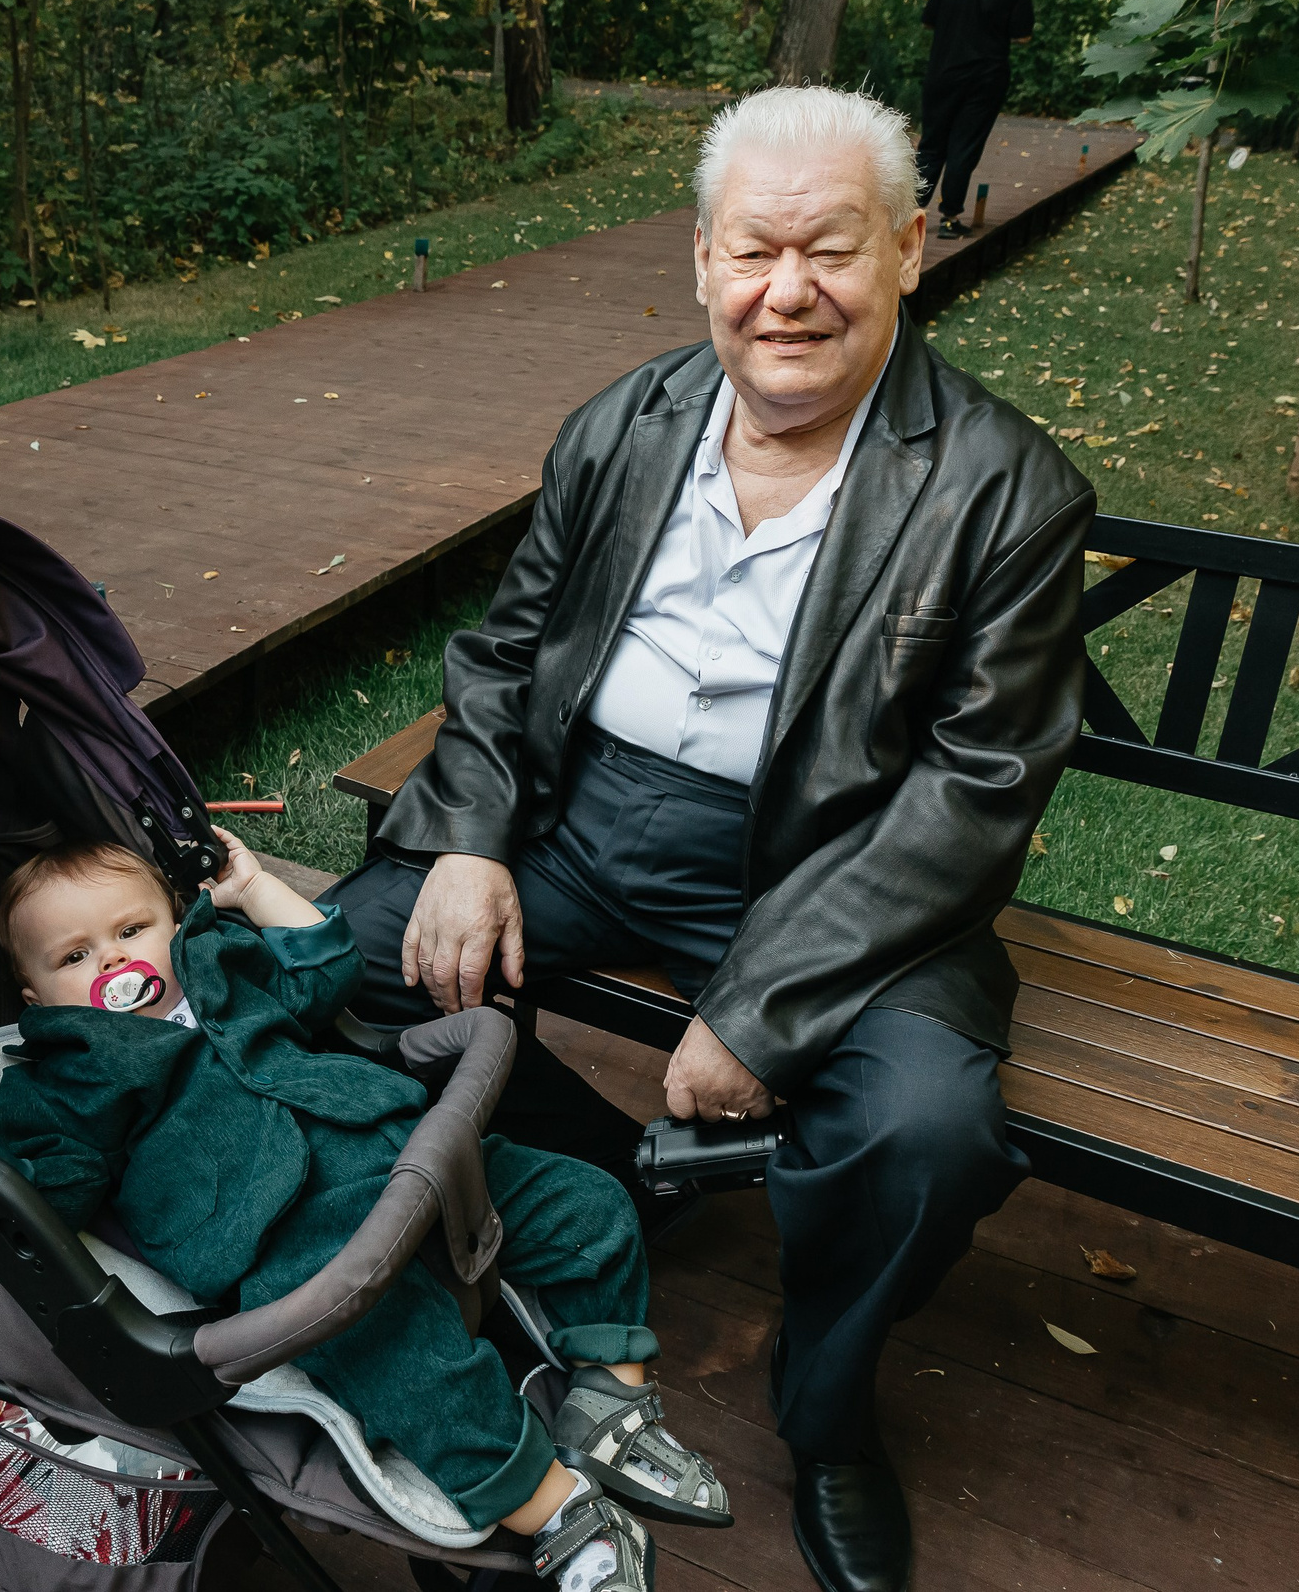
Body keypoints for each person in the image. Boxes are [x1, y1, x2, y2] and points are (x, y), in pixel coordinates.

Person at [321, 85, 1093, 1592]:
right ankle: (613, 1179)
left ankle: (830, 1406)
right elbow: (503, 655)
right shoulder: (630, 422)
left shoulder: (1005, 487)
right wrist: (472, 834)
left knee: (927, 1130)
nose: (787, 290)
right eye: (754, 250)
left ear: (911, 248)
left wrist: (758, 1002)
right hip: (590, 819)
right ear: (701, 259)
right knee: (329, 965)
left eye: (832, 249)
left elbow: (977, 785)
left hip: (847, 868)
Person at [0, 829, 730, 1592]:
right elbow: (46, 1187)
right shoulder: (65, 1078)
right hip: (299, 1248)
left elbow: (328, 967)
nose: (111, 959)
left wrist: (251, 892)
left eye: (131, 929)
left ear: (177, 925)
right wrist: (34, 1158)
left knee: (590, 1206)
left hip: (408, 1155)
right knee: (404, 1365)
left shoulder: (224, 967)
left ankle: (615, 1398)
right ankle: (552, 1509)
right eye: (74, 957)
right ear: (38, 1002)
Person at [913, 0, 1034, 240]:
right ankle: (950, 219)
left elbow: (929, 19)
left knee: (931, 144)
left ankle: (908, 216)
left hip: (943, 72)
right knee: (963, 147)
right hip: (986, 77)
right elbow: (1023, 34)